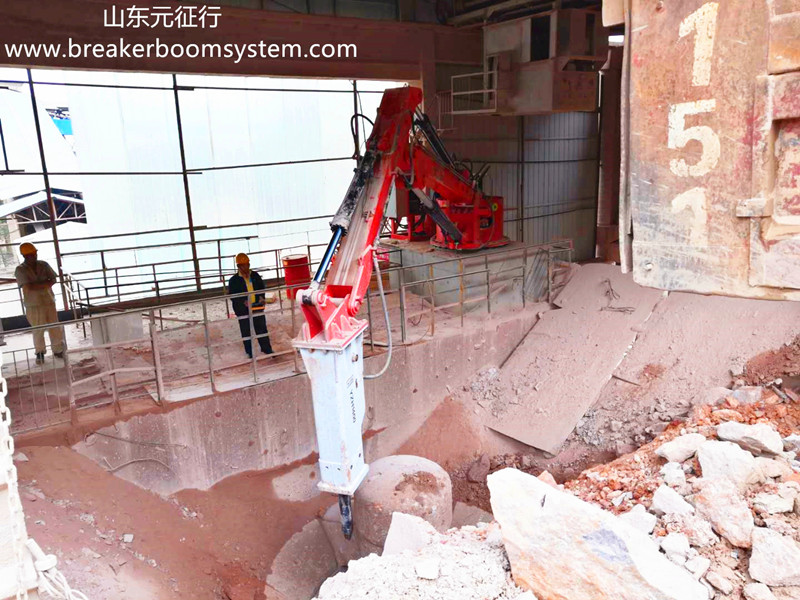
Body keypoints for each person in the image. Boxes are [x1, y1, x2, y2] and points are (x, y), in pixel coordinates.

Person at [15, 243, 65, 364]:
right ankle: (40, 353)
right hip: (33, 304)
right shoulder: (20, 270)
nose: (35, 256)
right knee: (38, 329)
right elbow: (27, 287)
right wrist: (44, 284)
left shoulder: (43, 264)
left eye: (35, 253)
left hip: (48, 301)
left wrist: (37, 285)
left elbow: (53, 279)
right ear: (25, 256)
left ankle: (58, 349)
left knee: (54, 327)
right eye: (32, 254)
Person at [228, 252, 274, 359]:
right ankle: (249, 352)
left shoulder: (255, 275)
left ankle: (267, 349)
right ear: (238, 266)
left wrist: (261, 297)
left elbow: (261, 287)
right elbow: (233, 295)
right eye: (243, 266)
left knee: (262, 328)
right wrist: (242, 302)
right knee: (246, 330)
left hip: (256, 306)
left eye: (247, 265)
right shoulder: (234, 281)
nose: (246, 268)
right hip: (243, 310)